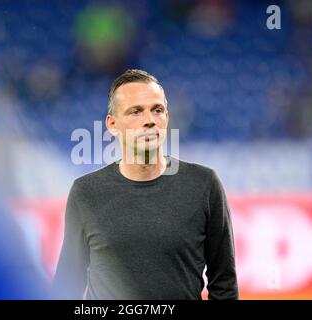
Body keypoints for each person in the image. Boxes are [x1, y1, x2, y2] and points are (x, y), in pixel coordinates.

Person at [52, 69, 238, 300]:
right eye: (135, 112)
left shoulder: (204, 185)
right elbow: (67, 284)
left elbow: (224, 285)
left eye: (157, 110)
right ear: (112, 124)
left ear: (167, 118)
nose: (149, 120)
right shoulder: (86, 192)